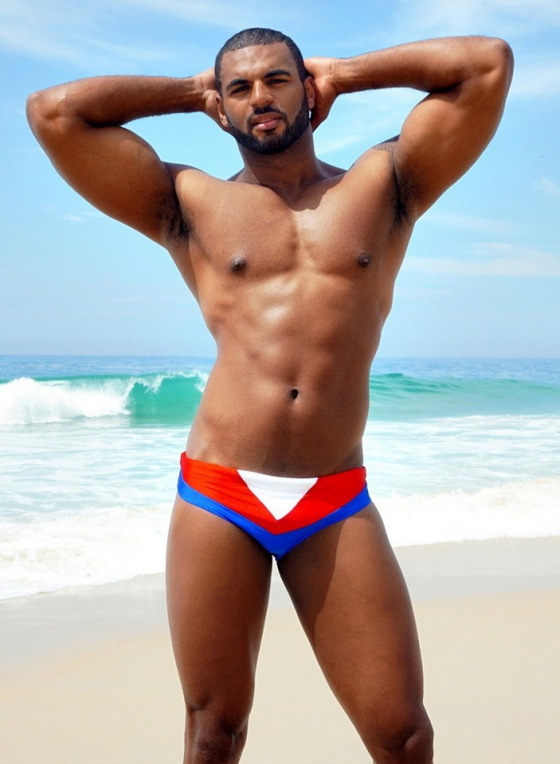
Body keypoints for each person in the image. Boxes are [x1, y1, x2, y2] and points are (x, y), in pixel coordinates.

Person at [27, 27, 513, 763]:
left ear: (307, 90)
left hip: (333, 495)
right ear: (220, 107)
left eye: (277, 80)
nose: (260, 97)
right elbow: (54, 111)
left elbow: (486, 65)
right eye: (240, 87)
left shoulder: (384, 185)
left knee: (405, 735)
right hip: (221, 491)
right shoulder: (189, 202)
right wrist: (192, 91)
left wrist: (345, 72)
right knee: (215, 734)